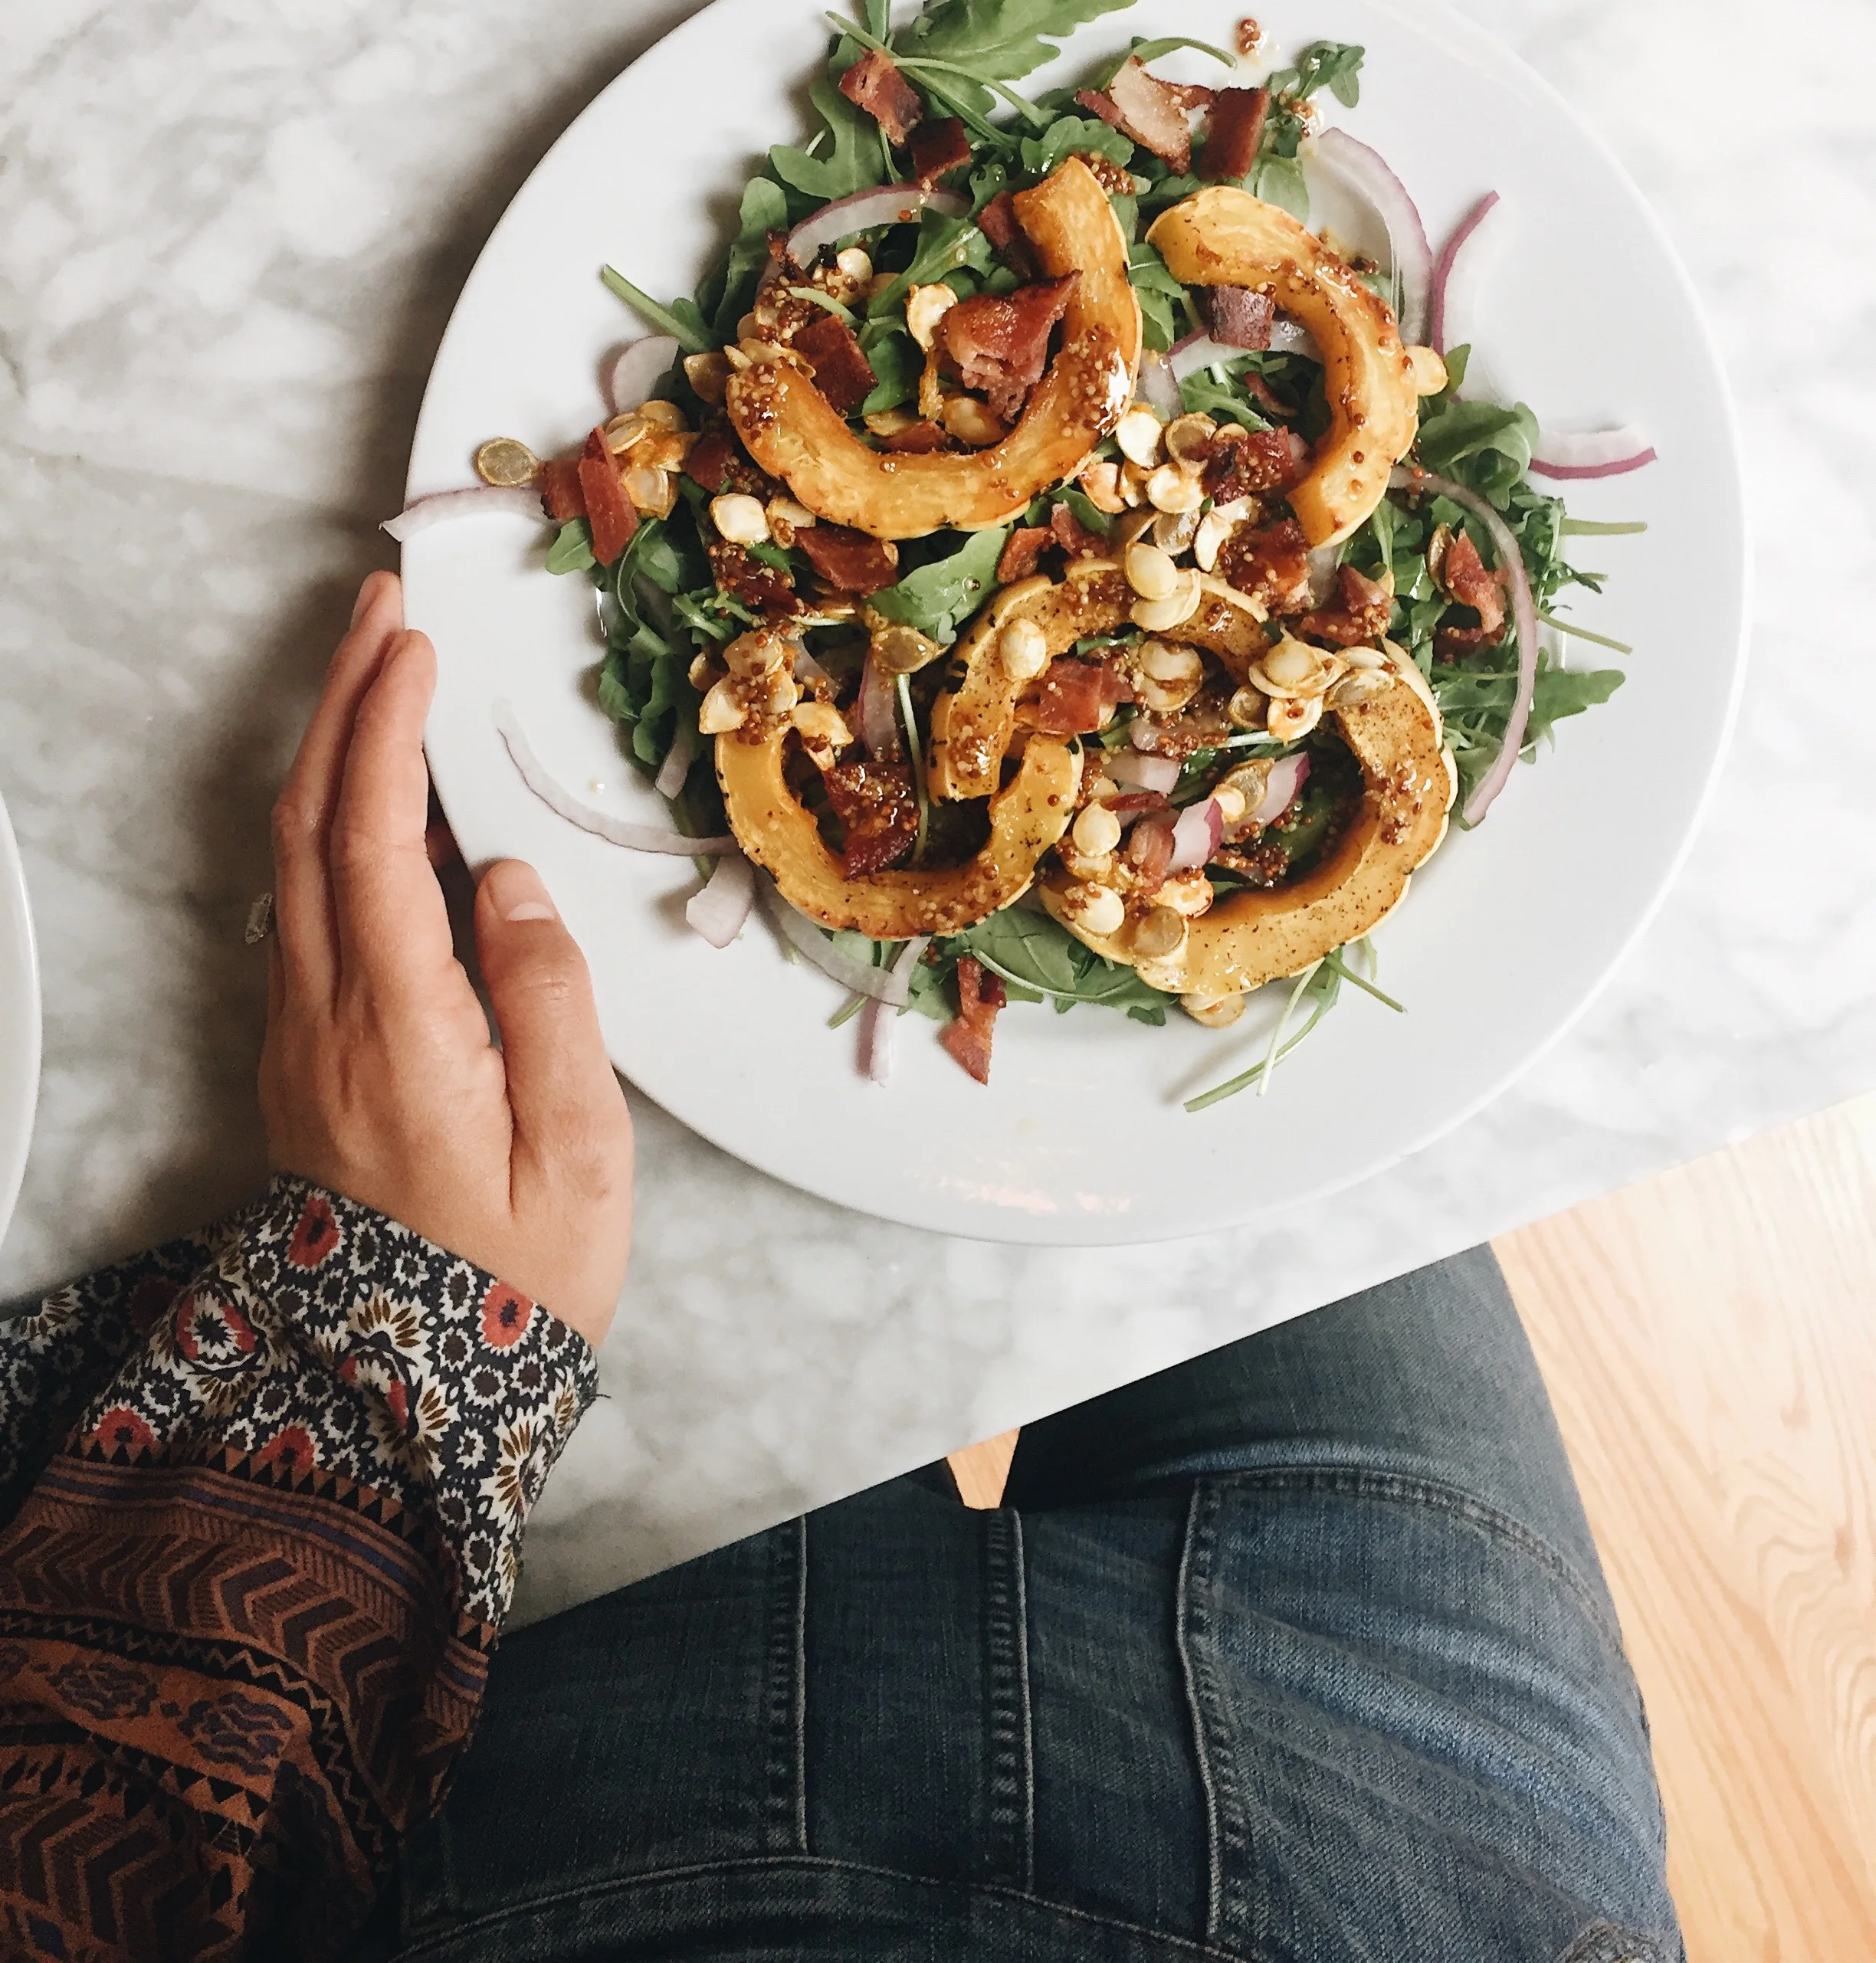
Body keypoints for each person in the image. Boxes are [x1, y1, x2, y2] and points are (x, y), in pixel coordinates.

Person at [0, 573, 1684, 1962]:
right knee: (1283, 1117)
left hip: (619, 1840)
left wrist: (383, 1330)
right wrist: (391, 1335)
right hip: (1447, 1836)